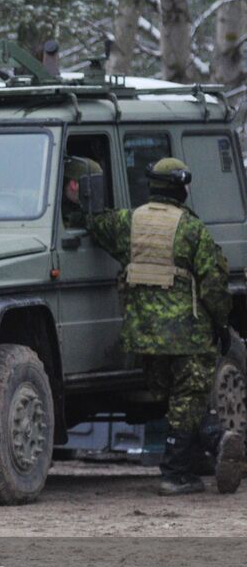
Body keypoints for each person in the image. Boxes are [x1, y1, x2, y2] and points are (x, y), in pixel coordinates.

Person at [87, 158, 241, 496]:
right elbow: (214, 284)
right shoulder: (191, 229)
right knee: (189, 397)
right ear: (180, 187)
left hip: (143, 335)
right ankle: (177, 472)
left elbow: (95, 222)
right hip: (187, 334)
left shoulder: (128, 222)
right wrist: (222, 323)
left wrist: (84, 187)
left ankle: (212, 448)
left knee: (174, 399)